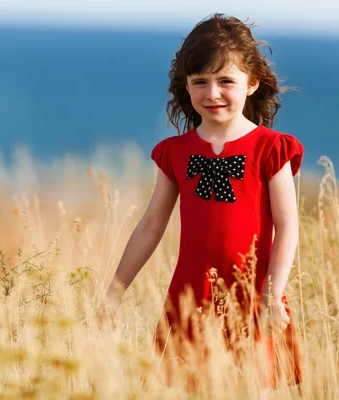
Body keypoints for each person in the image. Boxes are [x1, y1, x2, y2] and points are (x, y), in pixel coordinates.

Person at [98, 13, 303, 396]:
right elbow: (150, 226)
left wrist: (273, 295)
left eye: (226, 81)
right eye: (200, 82)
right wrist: (114, 292)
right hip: (189, 296)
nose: (213, 93)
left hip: (253, 295)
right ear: (186, 87)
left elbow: (287, 226)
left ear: (252, 83)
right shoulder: (174, 153)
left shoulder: (271, 149)